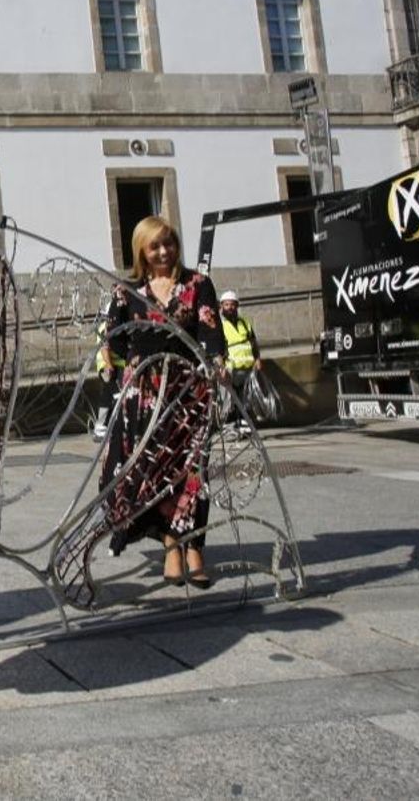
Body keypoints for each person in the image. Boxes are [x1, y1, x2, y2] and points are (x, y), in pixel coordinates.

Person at [100, 215, 227, 588]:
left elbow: (211, 330)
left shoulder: (198, 284)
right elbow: (114, 336)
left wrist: (217, 361)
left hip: (188, 393)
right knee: (151, 473)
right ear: (141, 249)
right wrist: (113, 356)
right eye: (154, 245)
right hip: (145, 398)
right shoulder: (128, 291)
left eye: (168, 243)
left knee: (190, 472)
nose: (163, 251)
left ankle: (194, 548)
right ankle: (172, 547)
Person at [219, 289, 263, 435]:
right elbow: (219, 349)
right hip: (230, 369)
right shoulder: (220, 325)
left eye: (232, 305)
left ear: (237, 306)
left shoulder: (245, 323)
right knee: (230, 400)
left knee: (246, 398)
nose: (230, 308)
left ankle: (244, 426)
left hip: (247, 368)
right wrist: (221, 366)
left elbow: (253, 342)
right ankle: (230, 426)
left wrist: (257, 358)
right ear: (221, 307)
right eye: (226, 305)